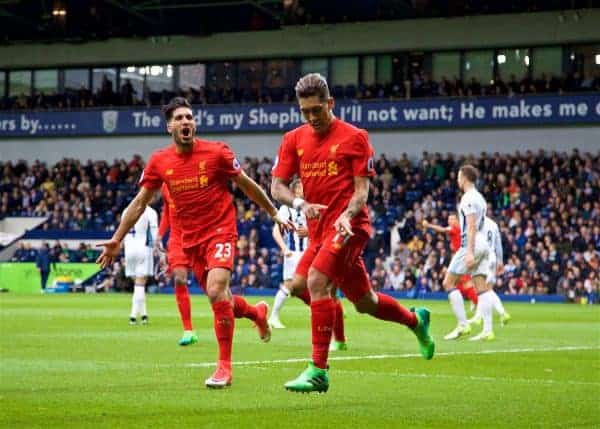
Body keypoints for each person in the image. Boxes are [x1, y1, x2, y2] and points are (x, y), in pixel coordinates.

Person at [97, 96, 291, 389]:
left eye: (189, 117)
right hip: (189, 240)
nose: (186, 122)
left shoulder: (217, 153)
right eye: (179, 118)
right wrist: (116, 239)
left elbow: (247, 185)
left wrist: (274, 213)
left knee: (215, 291)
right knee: (221, 299)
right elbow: (139, 203)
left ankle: (224, 368)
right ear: (169, 127)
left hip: (220, 231)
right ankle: (255, 312)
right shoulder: (160, 161)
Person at [271, 73, 434, 394]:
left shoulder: (355, 137)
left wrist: (346, 215)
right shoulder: (293, 139)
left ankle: (319, 370)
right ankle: (416, 322)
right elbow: (277, 186)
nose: (311, 117)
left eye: (317, 110)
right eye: (305, 112)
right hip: (319, 232)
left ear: (330, 104)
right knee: (363, 302)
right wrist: (301, 202)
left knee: (317, 282)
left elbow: (362, 193)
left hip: (350, 227)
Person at [269, 177, 348, 350]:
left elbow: (328, 225)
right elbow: (277, 229)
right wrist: (284, 249)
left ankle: (339, 338)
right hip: (298, 253)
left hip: (322, 248)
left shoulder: (317, 203)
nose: (304, 190)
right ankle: (275, 316)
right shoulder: (288, 208)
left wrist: (311, 232)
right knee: (295, 286)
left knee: (334, 293)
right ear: (295, 191)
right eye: (300, 188)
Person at [442, 164, 493, 341]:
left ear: (464, 177)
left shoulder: (468, 198)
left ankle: (463, 325)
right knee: (481, 287)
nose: (457, 179)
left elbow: (471, 225)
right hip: (483, 244)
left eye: (458, 176)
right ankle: (487, 330)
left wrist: (469, 252)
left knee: (448, 283)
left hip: (471, 244)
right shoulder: (479, 197)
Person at [158, 182, 197, 346]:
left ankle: (253, 313)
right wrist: (160, 235)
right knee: (179, 279)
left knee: (215, 289)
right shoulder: (165, 187)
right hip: (176, 240)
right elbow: (167, 212)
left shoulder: (194, 181)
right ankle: (188, 330)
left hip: (198, 236)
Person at [422, 214, 479, 315]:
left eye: (452, 219)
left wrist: (428, 225)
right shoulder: (462, 228)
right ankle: (472, 300)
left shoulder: (455, 228)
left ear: (457, 220)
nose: (450, 221)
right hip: (465, 256)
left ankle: (477, 304)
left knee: (464, 282)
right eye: (449, 219)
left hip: (463, 258)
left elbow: (443, 230)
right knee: (458, 282)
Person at [468, 216, 511, 329]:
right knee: (484, 289)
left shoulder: (476, 222)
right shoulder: (494, 224)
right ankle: (478, 317)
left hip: (482, 257)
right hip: (492, 257)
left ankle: (502, 312)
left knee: (483, 289)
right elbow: (498, 244)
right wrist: (500, 261)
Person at [123, 203, 158, 325]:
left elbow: (122, 230)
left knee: (138, 285)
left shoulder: (127, 209)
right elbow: (154, 233)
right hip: (143, 247)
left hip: (129, 247)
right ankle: (133, 316)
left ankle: (144, 315)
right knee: (141, 283)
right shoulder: (151, 212)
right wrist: (158, 249)